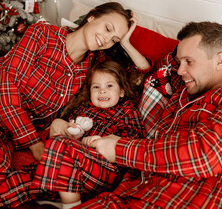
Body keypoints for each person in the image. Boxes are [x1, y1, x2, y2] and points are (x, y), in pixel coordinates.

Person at [0, 2, 145, 209]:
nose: (107, 38)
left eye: (114, 38)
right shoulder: (44, 34)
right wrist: (34, 143)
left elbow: (142, 73)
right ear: (92, 16)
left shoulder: (92, 68)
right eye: (107, 28)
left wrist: (125, 41)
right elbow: (5, 92)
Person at [69, 21, 222, 208]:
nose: (180, 70)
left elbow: (206, 156)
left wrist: (120, 149)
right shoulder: (180, 96)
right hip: (134, 193)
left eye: (189, 61)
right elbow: (152, 69)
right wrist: (126, 41)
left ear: (220, 60)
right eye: (179, 62)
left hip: (196, 199)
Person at [39, 60, 145, 209]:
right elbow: (63, 137)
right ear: (89, 92)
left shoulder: (127, 111)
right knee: (28, 175)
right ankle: (54, 194)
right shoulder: (82, 110)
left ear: (121, 91)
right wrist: (68, 130)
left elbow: (133, 143)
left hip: (106, 170)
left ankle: (71, 205)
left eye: (109, 85)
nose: (102, 91)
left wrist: (101, 141)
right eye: (96, 87)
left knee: (60, 144)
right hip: (76, 168)